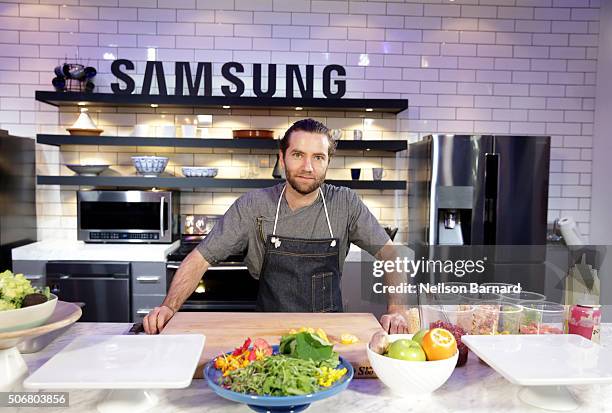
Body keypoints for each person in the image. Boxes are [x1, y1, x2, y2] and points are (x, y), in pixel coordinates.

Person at [144, 118, 409, 334]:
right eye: (298, 155)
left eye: (318, 157)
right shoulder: (254, 205)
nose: (308, 167)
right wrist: (169, 307)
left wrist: (397, 309)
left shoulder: (345, 203)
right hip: (268, 330)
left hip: (328, 334)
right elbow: (201, 258)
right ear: (282, 158)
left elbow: (390, 254)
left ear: (328, 161)